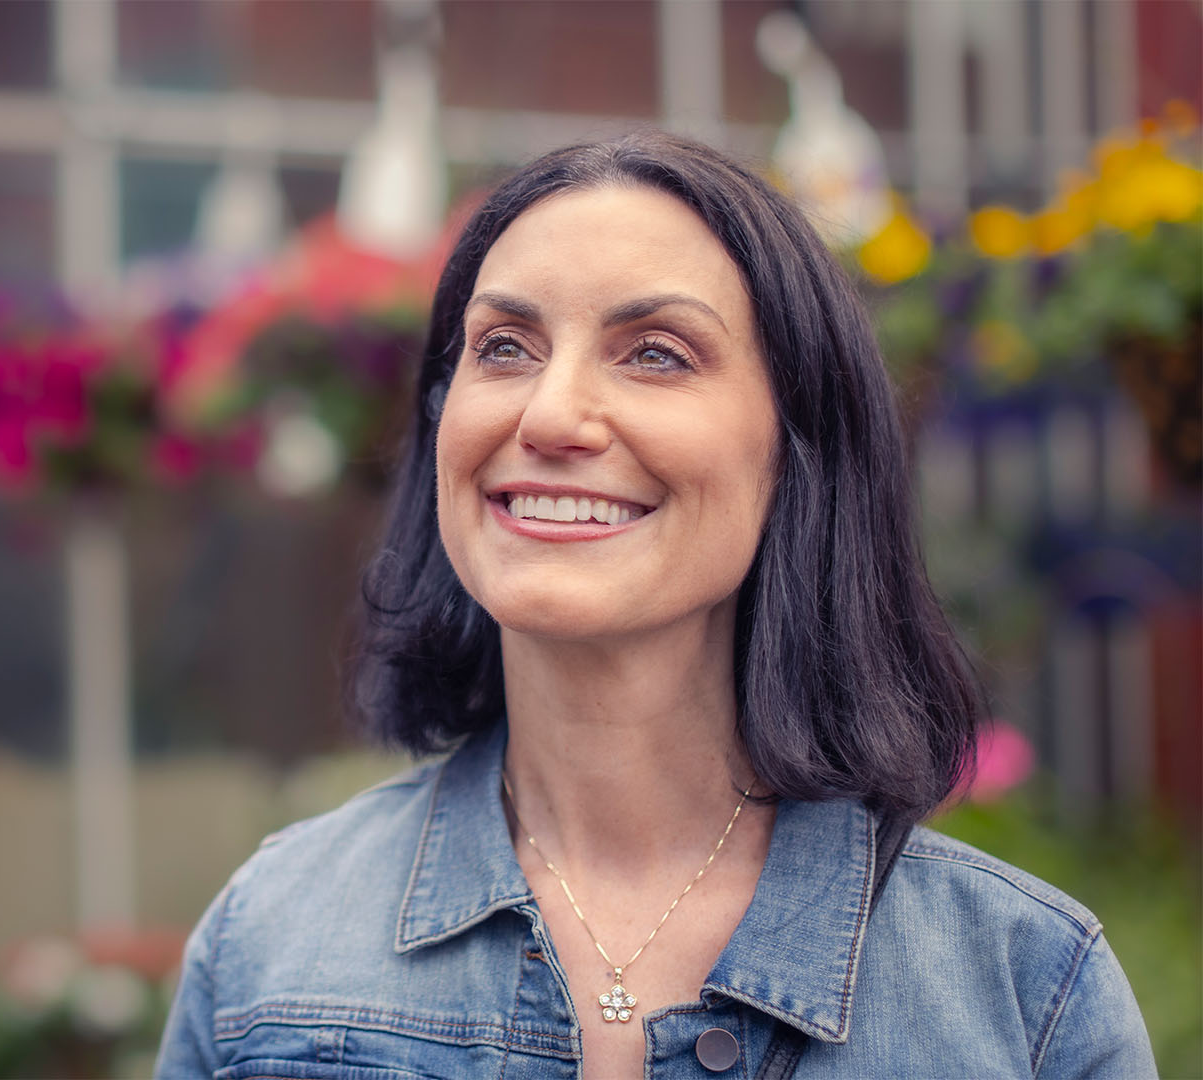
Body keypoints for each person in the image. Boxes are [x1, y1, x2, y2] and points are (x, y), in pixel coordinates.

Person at [155, 132, 1156, 1079]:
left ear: (797, 449)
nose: (548, 415)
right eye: (504, 346)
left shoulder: (1028, 991)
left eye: (656, 353)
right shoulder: (271, 940)